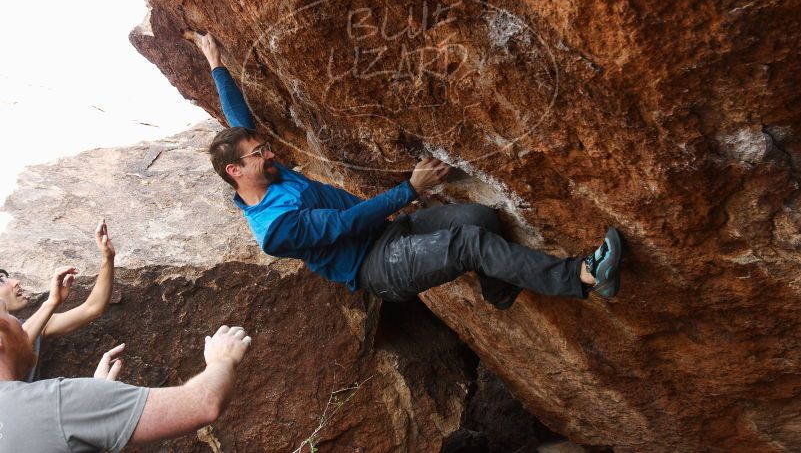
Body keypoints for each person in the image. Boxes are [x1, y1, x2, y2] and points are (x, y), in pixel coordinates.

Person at [194, 32, 622, 309]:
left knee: (479, 217)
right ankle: (583, 277)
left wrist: (216, 65)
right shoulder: (276, 230)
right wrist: (410, 189)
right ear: (236, 171)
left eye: (265, 149)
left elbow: (238, 122)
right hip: (375, 266)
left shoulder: (268, 174)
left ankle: (499, 288)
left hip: (388, 233)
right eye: (258, 153)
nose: (269, 153)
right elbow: (343, 224)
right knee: (469, 242)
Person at [0, 297, 251, 453]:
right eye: (7, 313)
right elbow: (202, 404)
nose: (21, 322)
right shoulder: (56, 403)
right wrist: (222, 359)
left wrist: (91, 415)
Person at [0, 219, 117, 380]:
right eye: (1, 281)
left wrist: (107, 258)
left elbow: (93, 308)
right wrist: (50, 304)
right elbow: (15, 343)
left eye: (8, 277)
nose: (15, 282)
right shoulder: (29, 327)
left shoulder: (34, 324)